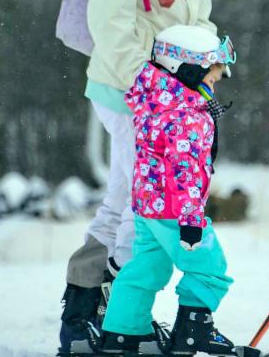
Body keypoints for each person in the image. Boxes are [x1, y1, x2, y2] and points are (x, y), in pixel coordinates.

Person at [58, 0, 251, 354]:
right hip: (131, 91)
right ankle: (111, 320)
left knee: (127, 197)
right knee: (140, 204)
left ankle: (95, 315)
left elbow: (197, 20)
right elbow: (109, 13)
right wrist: (145, 85)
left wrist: (204, 74)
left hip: (170, 97)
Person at [97, 25, 247, 355]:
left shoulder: (155, 103)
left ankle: (122, 334)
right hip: (175, 210)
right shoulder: (188, 116)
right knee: (211, 268)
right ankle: (194, 330)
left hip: (147, 205)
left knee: (147, 267)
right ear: (188, 70)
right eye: (212, 75)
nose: (216, 82)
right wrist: (192, 221)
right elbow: (186, 174)